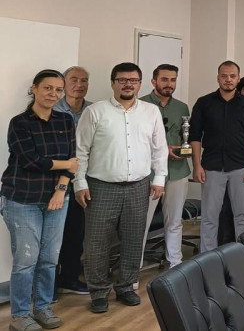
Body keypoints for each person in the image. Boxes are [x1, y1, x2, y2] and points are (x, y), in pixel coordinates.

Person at [75, 62, 168, 313]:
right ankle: (98, 292)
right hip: (100, 187)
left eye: (133, 80)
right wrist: (79, 182)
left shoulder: (151, 111)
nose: (128, 84)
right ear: (113, 83)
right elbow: (81, 151)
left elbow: (159, 149)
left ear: (140, 83)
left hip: (139, 186)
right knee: (96, 243)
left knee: (133, 240)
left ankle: (126, 286)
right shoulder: (95, 111)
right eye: (122, 80)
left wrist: (159, 178)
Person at [2, 70, 77, 331]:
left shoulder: (66, 120)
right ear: (34, 89)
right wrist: (66, 164)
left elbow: (73, 158)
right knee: (26, 260)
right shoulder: (19, 123)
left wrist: (60, 189)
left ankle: (43, 307)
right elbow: (31, 161)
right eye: (47, 88)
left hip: (57, 198)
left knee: (49, 258)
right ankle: (20, 315)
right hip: (22, 199)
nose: (53, 94)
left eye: (58, 90)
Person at [189, 61, 244, 252]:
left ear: (238, 79)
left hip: (241, 167)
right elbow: (194, 136)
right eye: (224, 76)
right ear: (218, 78)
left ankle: (242, 255)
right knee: (209, 217)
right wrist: (196, 165)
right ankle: (207, 258)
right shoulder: (204, 103)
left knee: (243, 216)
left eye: (232, 76)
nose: (228, 79)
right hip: (211, 167)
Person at [138, 64, 190, 269]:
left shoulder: (182, 108)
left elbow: (186, 137)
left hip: (178, 170)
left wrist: (184, 150)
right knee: (141, 222)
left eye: (173, 80)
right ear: (154, 81)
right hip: (148, 173)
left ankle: (175, 264)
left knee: (175, 220)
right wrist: (163, 149)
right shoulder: (140, 104)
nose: (169, 84)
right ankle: (134, 270)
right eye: (165, 79)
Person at [52, 66, 91, 297]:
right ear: (65, 83)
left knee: (76, 232)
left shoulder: (94, 110)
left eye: (84, 80)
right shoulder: (53, 108)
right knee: (52, 234)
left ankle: (69, 278)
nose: (79, 84)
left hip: (83, 179)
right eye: (74, 79)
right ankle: (49, 283)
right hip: (55, 179)